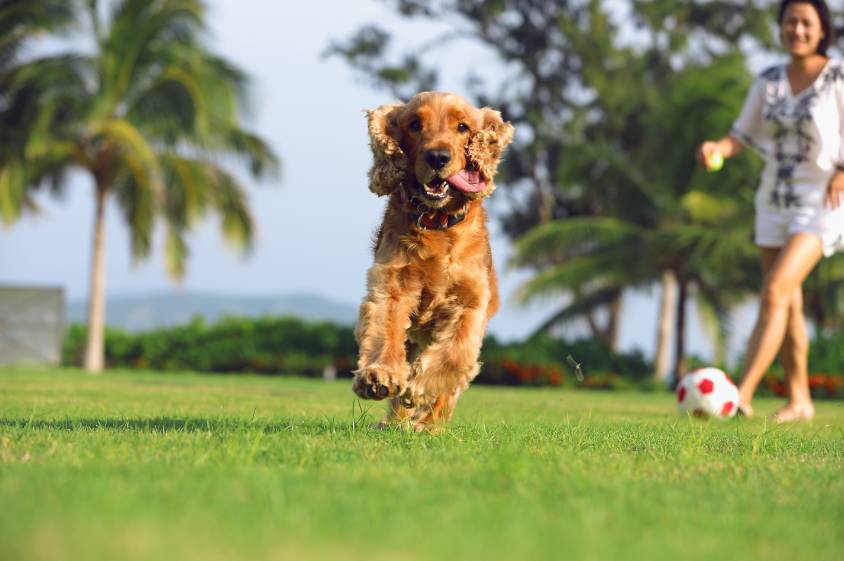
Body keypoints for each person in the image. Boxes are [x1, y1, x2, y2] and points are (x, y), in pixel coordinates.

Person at [696, 0, 844, 422]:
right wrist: (716, 150)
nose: (797, 29)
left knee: (776, 290)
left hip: (822, 202)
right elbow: (739, 136)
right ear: (780, 28)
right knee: (789, 304)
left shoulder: (838, 77)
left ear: (822, 31)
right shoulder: (768, 81)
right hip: (774, 202)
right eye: (790, 21)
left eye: (806, 23)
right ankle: (800, 399)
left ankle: (739, 395)